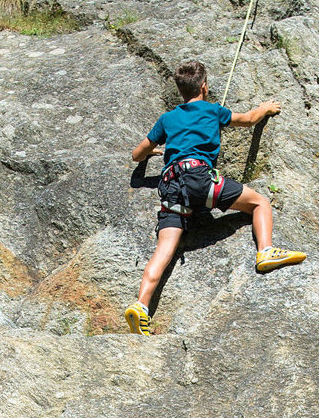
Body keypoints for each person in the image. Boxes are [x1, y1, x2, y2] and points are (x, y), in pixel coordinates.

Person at [123, 60, 307, 335]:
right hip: (199, 179)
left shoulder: (167, 119)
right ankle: (266, 250)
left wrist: (150, 153)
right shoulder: (213, 110)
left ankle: (140, 305)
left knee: (164, 251)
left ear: (180, 91)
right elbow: (248, 119)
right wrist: (266, 108)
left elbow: (137, 154)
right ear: (205, 87)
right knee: (260, 202)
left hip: (172, 185)